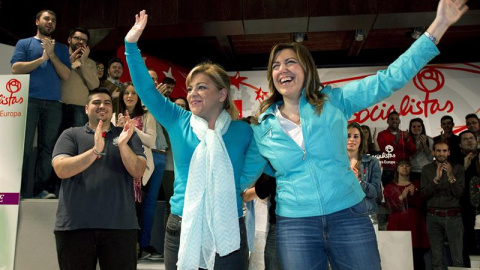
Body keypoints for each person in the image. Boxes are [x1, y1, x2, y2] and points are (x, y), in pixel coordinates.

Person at [250, 1, 468, 269]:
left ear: (306, 69)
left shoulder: (334, 101)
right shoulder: (263, 127)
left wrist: (440, 24)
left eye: (290, 62)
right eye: (276, 65)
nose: (282, 68)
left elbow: (388, 79)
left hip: (348, 216)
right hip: (296, 226)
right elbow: (246, 172)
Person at [125, 10, 266, 270]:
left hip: (228, 226)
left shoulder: (243, 132)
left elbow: (253, 172)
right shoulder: (179, 121)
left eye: (202, 87)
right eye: (190, 88)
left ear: (222, 94)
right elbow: (146, 89)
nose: (192, 93)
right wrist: (131, 46)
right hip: (182, 225)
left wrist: (235, 185)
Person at [51, 87, 146, 270]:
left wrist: (123, 145)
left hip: (120, 226)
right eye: (96, 102)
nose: (102, 106)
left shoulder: (127, 135)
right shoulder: (71, 134)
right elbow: (61, 169)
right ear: (86, 108)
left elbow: (138, 171)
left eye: (107, 103)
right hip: (75, 227)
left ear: (112, 109)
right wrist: (94, 151)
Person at [11, 9, 71, 198]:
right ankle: (17, 191)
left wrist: (52, 55)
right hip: (29, 100)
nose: (50, 22)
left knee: (48, 148)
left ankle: (40, 190)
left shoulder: (60, 48)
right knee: (24, 147)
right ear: (37, 21)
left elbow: (66, 75)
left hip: (54, 104)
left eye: (53, 20)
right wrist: (41, 59)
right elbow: (16, 68)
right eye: (47, 18)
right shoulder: (25, 43)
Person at [421, 140, 465, 269]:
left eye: (444, 151)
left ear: (449, 152)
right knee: (437, 258)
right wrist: (436, 180)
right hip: (433, 217)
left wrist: (451, 176)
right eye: (438, 151)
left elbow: (459, 194)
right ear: (434, 152)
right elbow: (423, 194)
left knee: (457, 258)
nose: (441, 153)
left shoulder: (458, 168)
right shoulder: (427, 169)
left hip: (453, 216)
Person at [383, 159, 430, 270]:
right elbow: (389, 206)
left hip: (415, 224)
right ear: (397, 168)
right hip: (397, 224)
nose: (405, 168)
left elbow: (423, 203)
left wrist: (414, 194)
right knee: (398, 256)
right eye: (402, 165)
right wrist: (402, 196)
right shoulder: (390, 187)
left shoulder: (418, 184)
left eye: (407, 165)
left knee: (417, 256)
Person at [61, 26, 100, 129]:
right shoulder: (60, 58)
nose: (80, 41)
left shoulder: (90, 63)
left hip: (79, 107)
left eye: (84, 40)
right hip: (58, 105)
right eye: (77, 38)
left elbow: (94, 85)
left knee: (78, 142)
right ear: (69, 39)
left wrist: (83, 62)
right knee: (54, 141)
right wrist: (70, 61)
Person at [347, 122, 382, 220]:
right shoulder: (335, 163)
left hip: (366, 214)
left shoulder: (372, 162)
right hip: (340, 215)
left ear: (361, 140)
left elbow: (374, 192)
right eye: (348, 136)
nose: (351, 139)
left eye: (356, 136)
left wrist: (358, 181)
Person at [377, 111, 416, 187]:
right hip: (389, 170)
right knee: (389, 196)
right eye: (392, 119)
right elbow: (383, 151)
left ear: (399, 121)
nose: (394, 121)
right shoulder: (382, 134)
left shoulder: (405, 134)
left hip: (404, 171)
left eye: (396, 119)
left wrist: (407, 140)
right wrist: (395, 142)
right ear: (387, 121)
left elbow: (413, 151)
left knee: (405, 197)